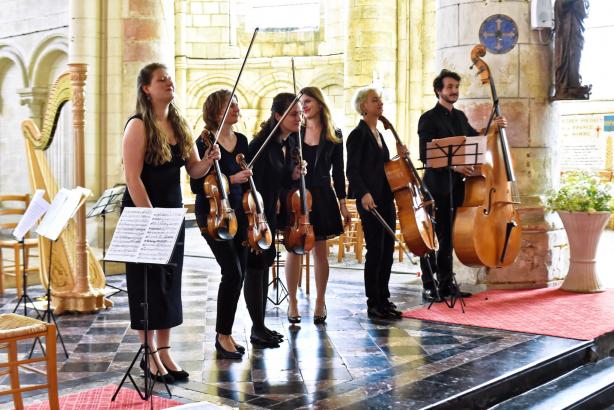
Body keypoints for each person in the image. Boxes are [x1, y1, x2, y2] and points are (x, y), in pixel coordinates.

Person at [122, 62, 220, 382]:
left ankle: (165, 352)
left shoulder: (179, 124)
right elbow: (133, 178)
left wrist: (207, 161)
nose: (168, 82)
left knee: (168, 285)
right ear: (146, 89)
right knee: (146, 286)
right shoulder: (138, 126)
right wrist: (151, 220)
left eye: (170, 78)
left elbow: (193, 171)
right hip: (144, 213)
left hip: (171, 214)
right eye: (160, 79)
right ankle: (148, 356)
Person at [417, 69, 506, 302]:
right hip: (435, 187)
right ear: (439, 90)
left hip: (457, 188)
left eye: (456, 87)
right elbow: (426, 155)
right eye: (449, 87)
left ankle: (446, 284)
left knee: (448, 237)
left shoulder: (459, 117)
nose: (454, 91)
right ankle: (429, 284)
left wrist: (493, 127)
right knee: (432, 238)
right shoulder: (428, 118)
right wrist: (453, 167)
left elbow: (475, 140)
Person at [190, 89, 251, 360]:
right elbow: (195, 184)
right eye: (231, 105)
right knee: (233, 273)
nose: (237, 109)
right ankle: (222, 336)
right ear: (216, 112)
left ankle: (225, 333)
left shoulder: (242, 141)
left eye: (237, 105)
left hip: (241, 213)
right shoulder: (203, 142)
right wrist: (216, 167)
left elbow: (245, 179)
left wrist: (246, 179)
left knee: (239, 274)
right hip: (214, 214)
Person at [284, 87, 350, 325]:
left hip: (322, 196)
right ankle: (292, 301)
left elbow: (339, 174)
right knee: (294, 249)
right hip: (297, 196)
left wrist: (343, 205)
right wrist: (293, 172)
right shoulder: (294, 133)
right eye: (301, 103)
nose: (304, 106)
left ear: (320, 103)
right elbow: (283, 169)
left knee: (320, 252)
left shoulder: (335, 133)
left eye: (308, 101)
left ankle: (320, 301)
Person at [246, 92, 302, 347]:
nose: (299, 118)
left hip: (273, 213)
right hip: (257, 214)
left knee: (265, 267)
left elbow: (282, 180)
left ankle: (261, 326)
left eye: (300, 113)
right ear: (278, 116)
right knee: (255, 269)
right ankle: (256, 328)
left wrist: (295, 174)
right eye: (293, 114)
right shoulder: (260, 144)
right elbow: (252, 181)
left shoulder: (290, 143)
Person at [346, 86, 403, 320]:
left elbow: (385, 168)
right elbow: (352, 170)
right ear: (363, 107)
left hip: (386, 198)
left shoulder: (380, 134)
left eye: (380, 99)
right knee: (376, 251)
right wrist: (363, 193)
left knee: (387, 250)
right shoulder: (357, 135)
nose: (380, 103)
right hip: (369, 200)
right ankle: (373, 302)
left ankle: (384, 298)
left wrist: (401, 155)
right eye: (374, 100)